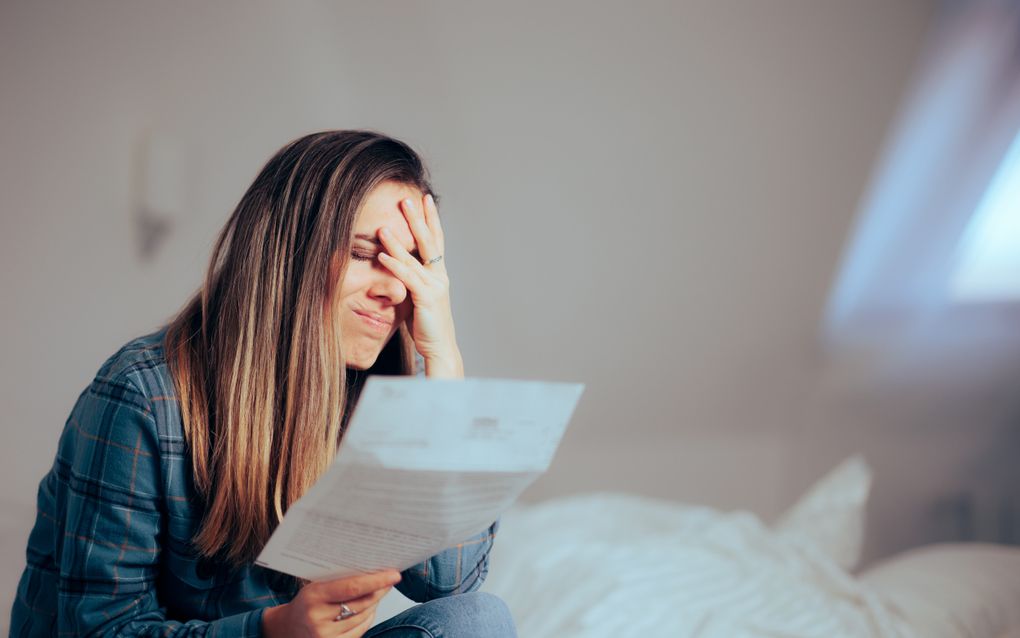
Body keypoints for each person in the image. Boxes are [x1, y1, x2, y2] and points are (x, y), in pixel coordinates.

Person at [10, 130, 518, 637]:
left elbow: (450, 581)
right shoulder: (140, 395)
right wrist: (276, 630)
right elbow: (99, 630)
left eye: (409, 265)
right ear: (288, 255)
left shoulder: (375, 395)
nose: (393, 288)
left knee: (476, 621)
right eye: (365, 254)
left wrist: (444, 363)